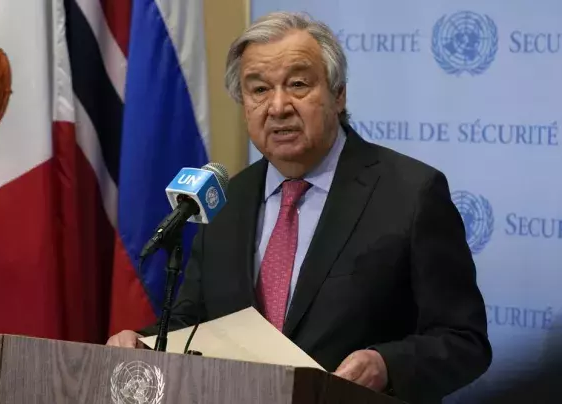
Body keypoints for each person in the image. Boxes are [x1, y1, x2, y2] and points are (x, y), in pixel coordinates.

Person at [108, 11, 492, 403]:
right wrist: (144, 342)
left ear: (338, 94)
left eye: (297, 85)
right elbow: (193, 321)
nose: (278, 107)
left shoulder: (411, 194)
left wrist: (387, 364)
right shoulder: (226, 200)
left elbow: (464, 340)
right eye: (258, 90)